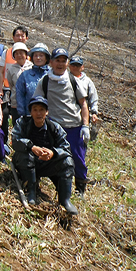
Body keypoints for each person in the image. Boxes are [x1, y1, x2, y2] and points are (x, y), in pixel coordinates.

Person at [34, 48, 91, 194]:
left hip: (74, 126)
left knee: (78, 159)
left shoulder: (73, 80)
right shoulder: (45, 81)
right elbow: (36, 102)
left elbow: (83, 104)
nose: (60, 64)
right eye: (57, 60)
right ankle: (40, 182)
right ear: (51, 62)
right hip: (53, 126)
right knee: (49, 155)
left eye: (63, 61)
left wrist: (85, 125)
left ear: (67, 63)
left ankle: (80, 188)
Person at [12, 96, 78, 215]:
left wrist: (53, 153)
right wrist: (31, 147)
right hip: (25, 163)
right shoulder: (22, 123)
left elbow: (66, 148)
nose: (38, 113)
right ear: (31, 112)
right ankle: (31, 192)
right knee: (26, 155)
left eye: (41, 110)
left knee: (68, 162)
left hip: (46, 164)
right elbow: (15, 140)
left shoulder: (55, 127)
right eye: (35, 110)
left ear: (47, 112)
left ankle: (65, 200)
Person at [2, 42, 31, 140]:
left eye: (21, 53)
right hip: (16, 102)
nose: (19, 55)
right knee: (17, 125)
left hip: (30, 102)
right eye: (16, 53)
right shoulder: (11, 69)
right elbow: (11, 84)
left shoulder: (31, 66)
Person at [14, 43, 51, 119]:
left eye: (41, 55)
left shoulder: (52, 74)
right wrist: (23, 115)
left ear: (46, 58)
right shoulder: (25, 75)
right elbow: (20, 95)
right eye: (35, 55)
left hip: (51, 116)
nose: (38, 58)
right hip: (30, 116)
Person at [68, 56, 100, 131]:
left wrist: (94, 113)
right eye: (73, 65)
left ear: (82, 67)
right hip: (66, 115)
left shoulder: (87, 81)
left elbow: (93, 98)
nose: (75, 67)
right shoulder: (64, 79)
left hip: (82, 117)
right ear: (69, 66)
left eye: (78, 65)